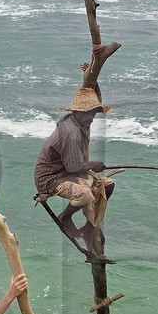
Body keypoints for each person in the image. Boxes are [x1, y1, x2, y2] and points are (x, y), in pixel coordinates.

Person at [34, 88, 115, 256]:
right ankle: (64, 217)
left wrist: (93, 75)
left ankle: (88, 227)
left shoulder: (78, 123)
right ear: (75, 112)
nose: (90, 118)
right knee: (85, 194)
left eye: (93, 113)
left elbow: (96, 98)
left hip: (66, 171)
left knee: (107, 185)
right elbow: (73, 167)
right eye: (86, 113)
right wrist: (93, 165)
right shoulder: (71, 134)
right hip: (51, 177)